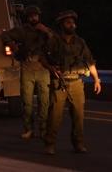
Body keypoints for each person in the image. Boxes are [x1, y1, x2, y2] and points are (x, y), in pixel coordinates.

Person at [42, 10, 101, 155]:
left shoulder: (80, 42)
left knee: (78, 116)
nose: (72, 24)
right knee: (55, 116)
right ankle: (50, 144)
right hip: (59, 83)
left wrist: (96, 79)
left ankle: (78, 144)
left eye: (73, 22)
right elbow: (42, 57)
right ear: (62, 25)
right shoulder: (53, 41)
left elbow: (90, 61)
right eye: (68, 22)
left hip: (76, 82)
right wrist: (50, 68)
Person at [1, 5, 52, 139]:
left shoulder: (44, 30)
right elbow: (4, 35)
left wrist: (47, 32)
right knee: (27, 101)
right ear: (28, 18)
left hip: (43, 68)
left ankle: (43, 129)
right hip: (27, 67)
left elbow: (56, 42)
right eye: (31, 16)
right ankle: (28, 129)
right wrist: (13, 45)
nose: (33, 18)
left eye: (35, 15)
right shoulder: (22, 31)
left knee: (44, 101)